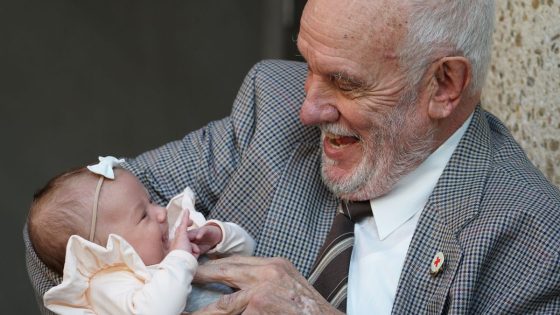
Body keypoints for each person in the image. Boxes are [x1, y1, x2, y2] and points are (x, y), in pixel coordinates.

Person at [25, 0, 560, 314]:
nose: (306, 107)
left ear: (444, 84)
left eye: (344, 82)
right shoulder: (271, 106)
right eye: (308, 63)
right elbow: (57, 235)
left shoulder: (534, 247)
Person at [27, 156, 255, 314]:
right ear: (103, 252)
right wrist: (181, 259)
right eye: (143, 216)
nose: (161, 213)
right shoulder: (107, 284)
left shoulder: (175, 238)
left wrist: (218, 236)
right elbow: (157, 310)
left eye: (151, 201)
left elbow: (249, 252)